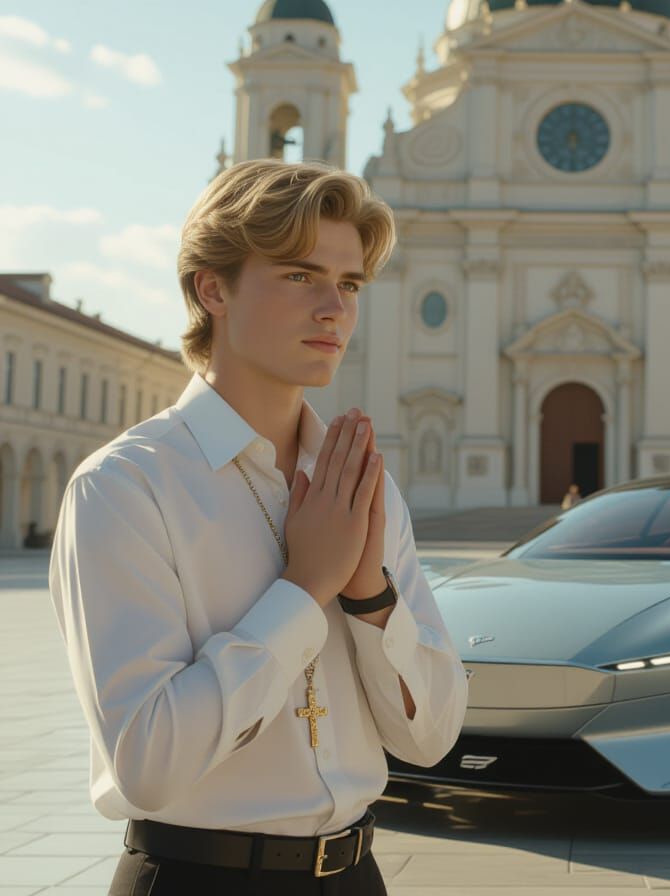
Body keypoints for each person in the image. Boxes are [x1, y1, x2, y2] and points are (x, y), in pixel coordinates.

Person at [49, 159, 467, 895]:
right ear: (213, 289)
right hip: (195, 878)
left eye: (350, 284)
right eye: (300, 276)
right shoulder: (125, 487)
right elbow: (147, 763)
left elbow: (430, 739)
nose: (334, 309)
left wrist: (368, 595)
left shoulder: (360, 486)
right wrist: (304, 590)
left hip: (356, 877)